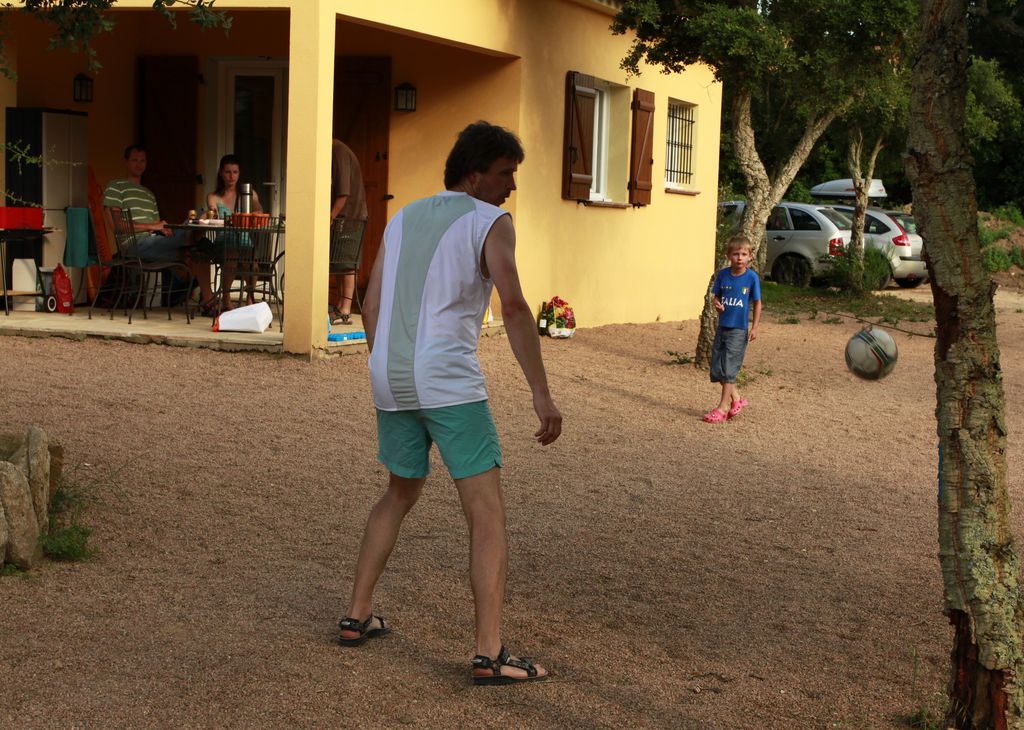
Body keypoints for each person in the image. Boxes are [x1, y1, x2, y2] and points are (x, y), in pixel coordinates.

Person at [337, 121, 561, 686]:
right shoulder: (491, 222)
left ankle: (356, 616)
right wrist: (541, 392)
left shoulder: (404, 215)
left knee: (399, 491)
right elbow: (512, 306)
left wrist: (384, 363)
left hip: (390, 378)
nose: (511, 186)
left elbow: (368, 305)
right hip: (449, 382)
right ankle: (489, 652)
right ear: (475, 172)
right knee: (485, 514)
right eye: (506, 173)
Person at [103, 144, 216, 310]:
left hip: (155, 243)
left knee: (200, 251)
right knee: (197, 236)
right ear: (126, 162)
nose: (138, 164)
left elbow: (156, 229)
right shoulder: (116, 186)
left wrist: (164, 229)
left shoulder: (149, 194)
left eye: (142, 160)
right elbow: (118, 226)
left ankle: (208, 301)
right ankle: (195, 229)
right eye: (134, 160)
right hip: (133, 246)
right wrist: (153, 225)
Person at [703, 235, 762, 423]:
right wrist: (717, 304)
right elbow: (716, 297)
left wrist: (754, 327)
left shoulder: (751, 278)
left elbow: (757, 303)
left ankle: (722, 407)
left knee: (729, 370)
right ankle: (736, 399)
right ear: (729, 255)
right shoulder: (722, 275)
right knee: (717, 370)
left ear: (750, 257)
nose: (739, 258)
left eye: (744, 254)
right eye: (736, 254)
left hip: (739, 330)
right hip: (722, 328)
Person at [206, 154, 264, 311]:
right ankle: (226, 299)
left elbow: (259, 211)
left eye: (235, 172)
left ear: (239, 173)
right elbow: (212, 214)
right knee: (231, 254)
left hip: (244, 241)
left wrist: (256, 209)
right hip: (224, 241)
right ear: (220, 173)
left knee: (251, 258)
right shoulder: (214, 196)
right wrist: (211, 212)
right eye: (227, 172)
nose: (231, 176)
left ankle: (250, 298)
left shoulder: (248, 193)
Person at [329, 138, 368, 325]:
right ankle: (339, 307)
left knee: (347, 263)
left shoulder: (338, 152)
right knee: (338, 261)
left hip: (350, 217)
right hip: (343, 218)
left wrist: (330, 216)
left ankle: (345, 310)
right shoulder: (335, 151)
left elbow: (343, 193)